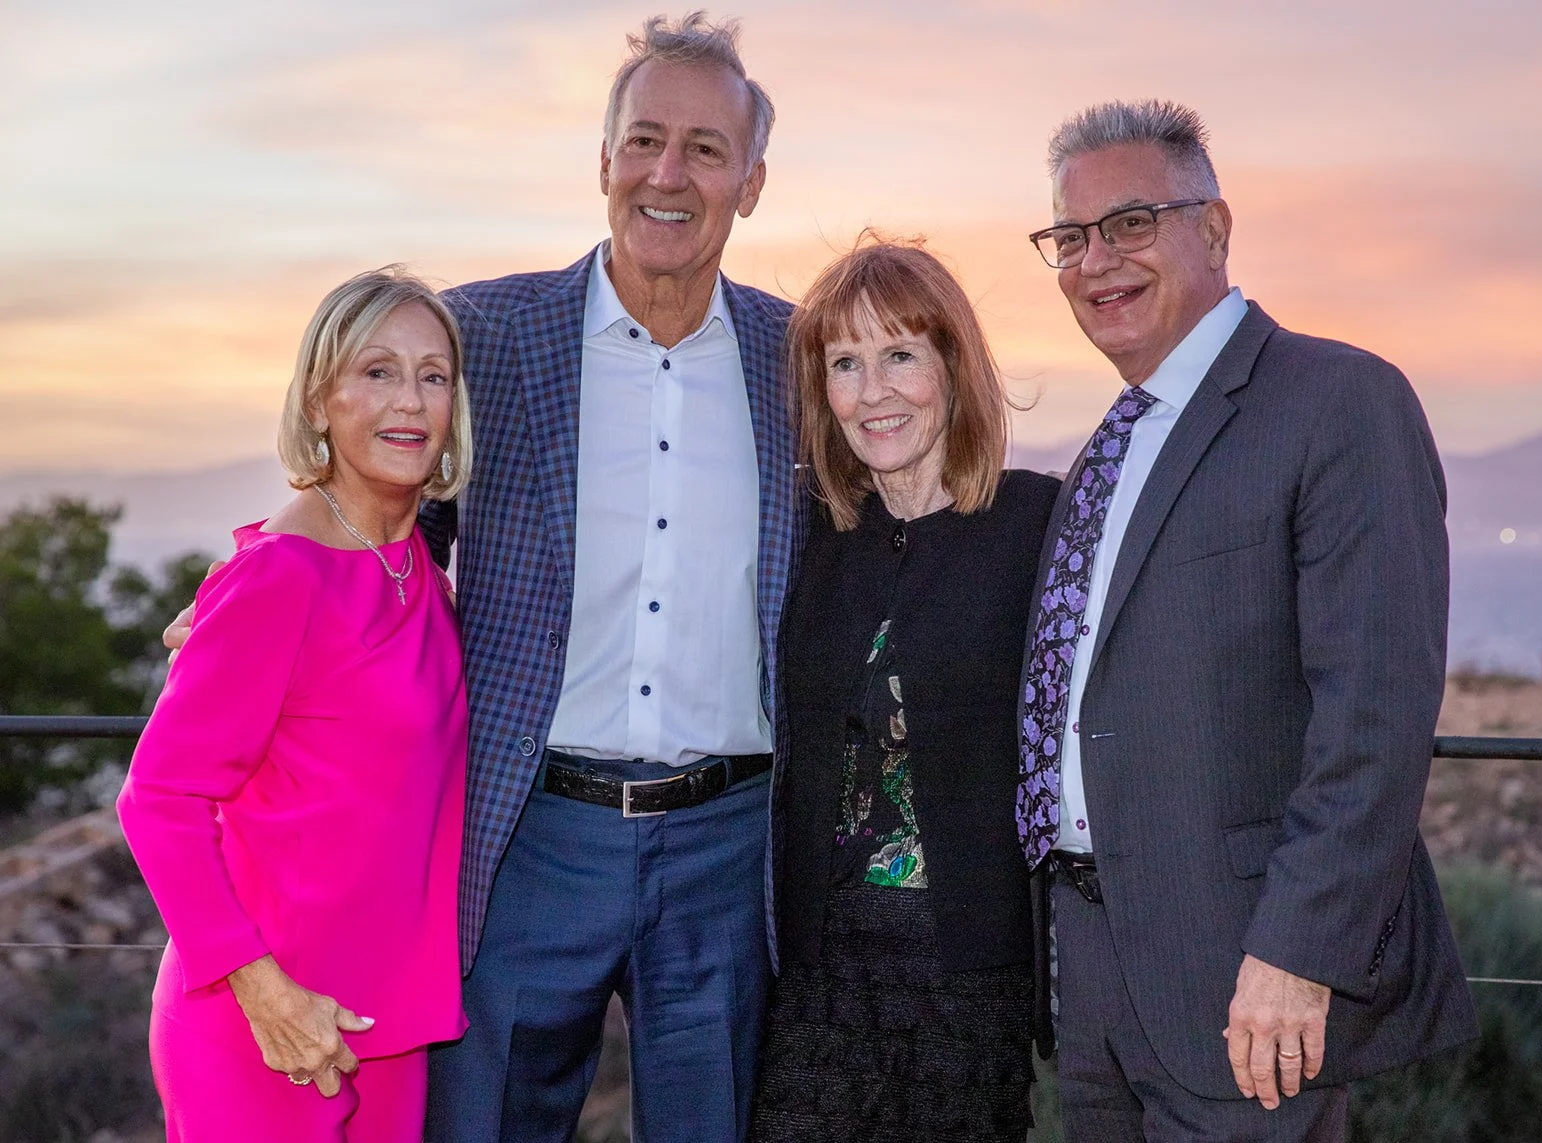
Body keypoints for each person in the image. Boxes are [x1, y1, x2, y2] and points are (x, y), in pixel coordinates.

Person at [1015, 100, 1477, 1141]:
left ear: (1214, 229)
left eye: (1131, 223)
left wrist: (1300, 953)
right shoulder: (1108, 446)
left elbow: (1375, 714)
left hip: (1246, 981)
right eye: (1071, 237)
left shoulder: (1339, 401)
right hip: (1091, 977)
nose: (1097, 261)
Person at [416, 15, 798, 1142]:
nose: (667, 175)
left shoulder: (802, 358)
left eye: (704, 149)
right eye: (643, 141)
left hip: (729, 848)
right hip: (531, 830)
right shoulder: (483, 333)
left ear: (752, 183)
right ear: (602, 161)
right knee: (479, 1123)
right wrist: (255, 579)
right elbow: (379, 504)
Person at [119, 267, 473, 1141]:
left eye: (433, 375)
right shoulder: (280, 575)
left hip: (389, 1028)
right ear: (319, 401)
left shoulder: (417, 572)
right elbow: (158, 800)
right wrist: (264, 993)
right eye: (378, 371)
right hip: (260, 1026)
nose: (412, 400)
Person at [749, 239, 1057, 1143]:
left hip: (968, 971)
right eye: (845, 363)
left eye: (899, 356)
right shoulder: (809, 537)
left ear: (952, 366)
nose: (872, 390)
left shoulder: (1039, 525)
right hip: (817, 974)